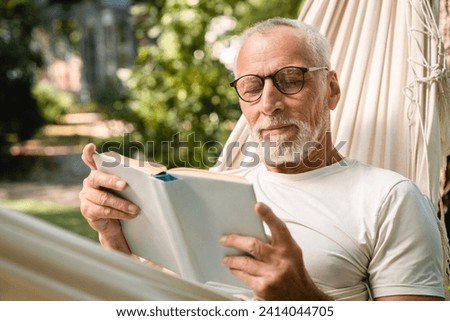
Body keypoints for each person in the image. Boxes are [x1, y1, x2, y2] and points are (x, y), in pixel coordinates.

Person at [79, 17, 445, 300]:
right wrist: (113, 237)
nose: (269, 103)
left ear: (331, 89)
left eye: (290, 79)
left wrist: (303, 300)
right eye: (252, 87)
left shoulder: (390, 198)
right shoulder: (217, 187)